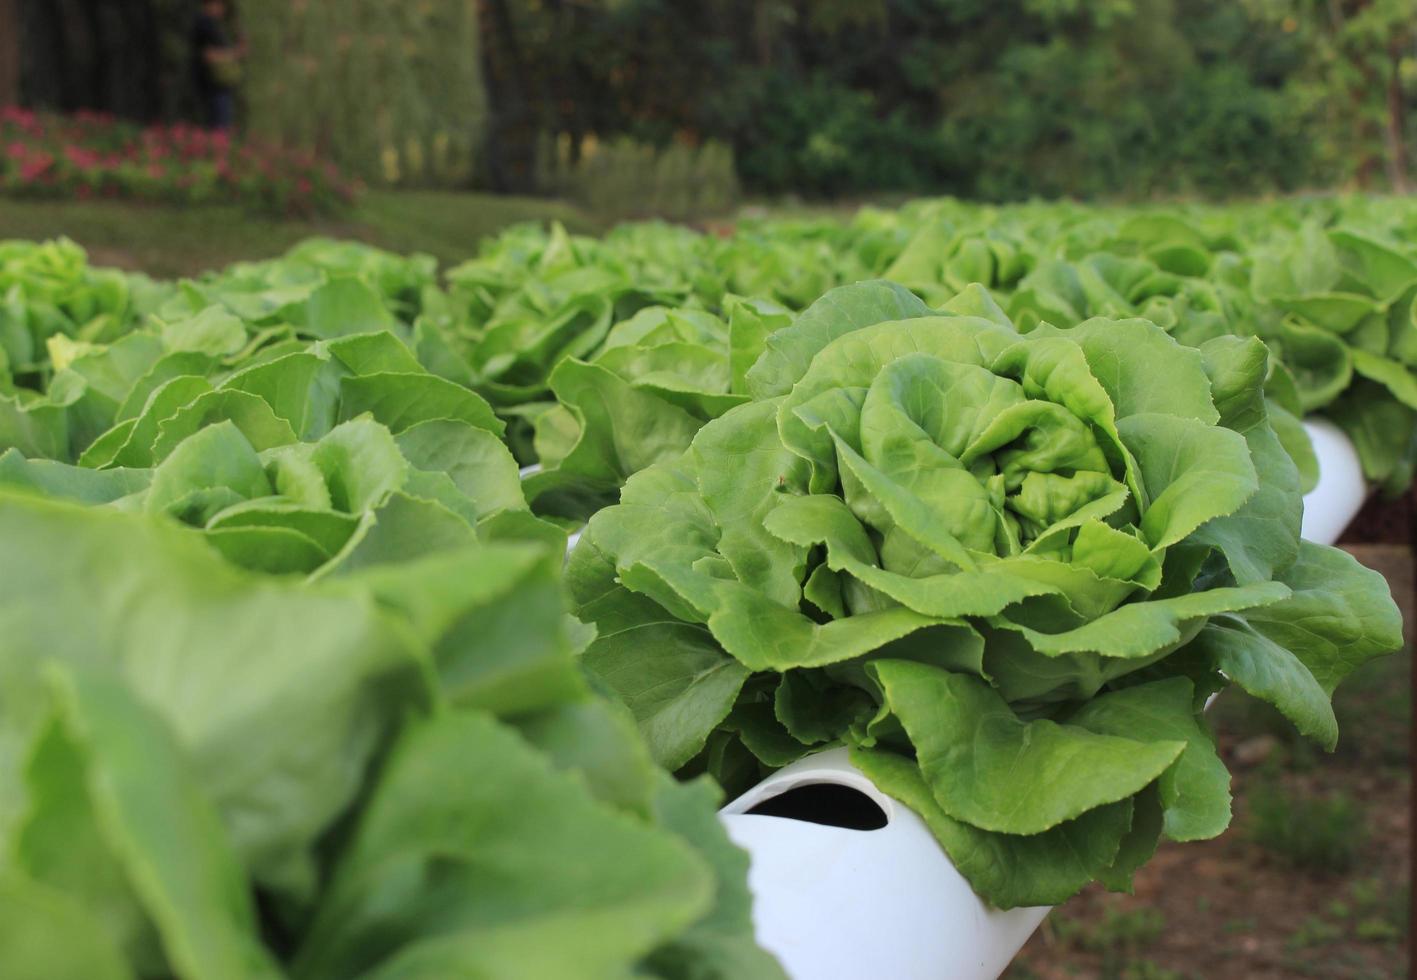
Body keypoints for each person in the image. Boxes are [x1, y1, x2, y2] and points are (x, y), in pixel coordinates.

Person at [191, 0, 244, 131]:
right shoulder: (205, 24)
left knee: (221, 124)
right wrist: (234, 54)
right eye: (219, 5)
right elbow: (208, 55)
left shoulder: (212, 24)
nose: (222, 9)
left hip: (219, 83)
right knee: (218, 126)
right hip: (214, 83)